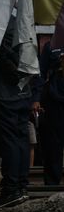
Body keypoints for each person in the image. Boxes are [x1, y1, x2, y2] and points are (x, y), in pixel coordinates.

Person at [0, 18, 40, 208]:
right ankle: (20, 186)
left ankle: (12, 188)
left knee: (11, 141)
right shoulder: (21, 22)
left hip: (6, 93)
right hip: (23, 91)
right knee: (21, 139)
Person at [38, 40, 64, 184]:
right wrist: (37, 99)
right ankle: (52, 183)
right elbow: (41, 73)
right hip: (55, 100)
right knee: (52, 145)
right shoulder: (52, 46)